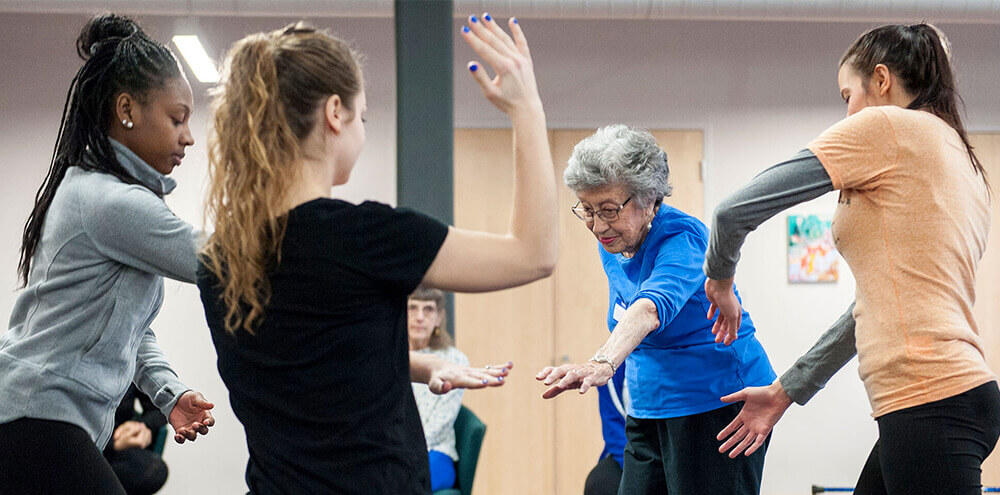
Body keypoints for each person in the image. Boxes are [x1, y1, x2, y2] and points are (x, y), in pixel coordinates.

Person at [197, 14, 556, 494]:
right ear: (334, 114)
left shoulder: (221, 259)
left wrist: (423, 364)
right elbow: (534, 253)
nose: (361, 130)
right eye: (362, 116)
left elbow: (316, 356)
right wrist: (526, 109)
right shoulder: (368, 235)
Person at [703, 23, 998, 495]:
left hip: (929, 400)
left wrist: (719, 278)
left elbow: (732, 211)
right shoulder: (960, 153)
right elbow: (866, 312)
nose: (847, 111)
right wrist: (785, 392)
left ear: (881, 80)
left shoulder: (887, 126)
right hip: (951, 397)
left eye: (847, 95)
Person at [0, 13, 215, 495]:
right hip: (38, 416)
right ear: (127, 109)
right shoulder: (111, 202)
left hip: (40, 418)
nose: (189, 136)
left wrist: (168, 392)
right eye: (177, 118)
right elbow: (221, 262)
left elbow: (131, 331)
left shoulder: (99, 195)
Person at [536, 125, 776, 495]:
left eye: (609, 210)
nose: (598, 225)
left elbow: (649, 309)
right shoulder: (615, 239)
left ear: (649, 200)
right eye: (587, 209)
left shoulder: (685, 238)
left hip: (718, 403)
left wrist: (602, 362)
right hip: (649, 403)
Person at [407, 286, 471, 491]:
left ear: (439, 317)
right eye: (412, 308)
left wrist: (405, 450)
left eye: (428, 309)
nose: (419, 317)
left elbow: (440, 423)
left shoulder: (454, 360)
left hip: (435, 453)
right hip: (395, 450)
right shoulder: (388, 356)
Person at [104, 385, 170, 495]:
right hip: (81, 448)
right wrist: (112, 444)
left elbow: (160, 409)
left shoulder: (130, 369)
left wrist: (142, 426)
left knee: (155, 470)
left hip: (119, 452)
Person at [583, 362, 627, 495]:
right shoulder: (612, 362)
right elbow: (615, 429)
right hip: (633, 452)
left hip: (676, 451)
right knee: (601, 482)